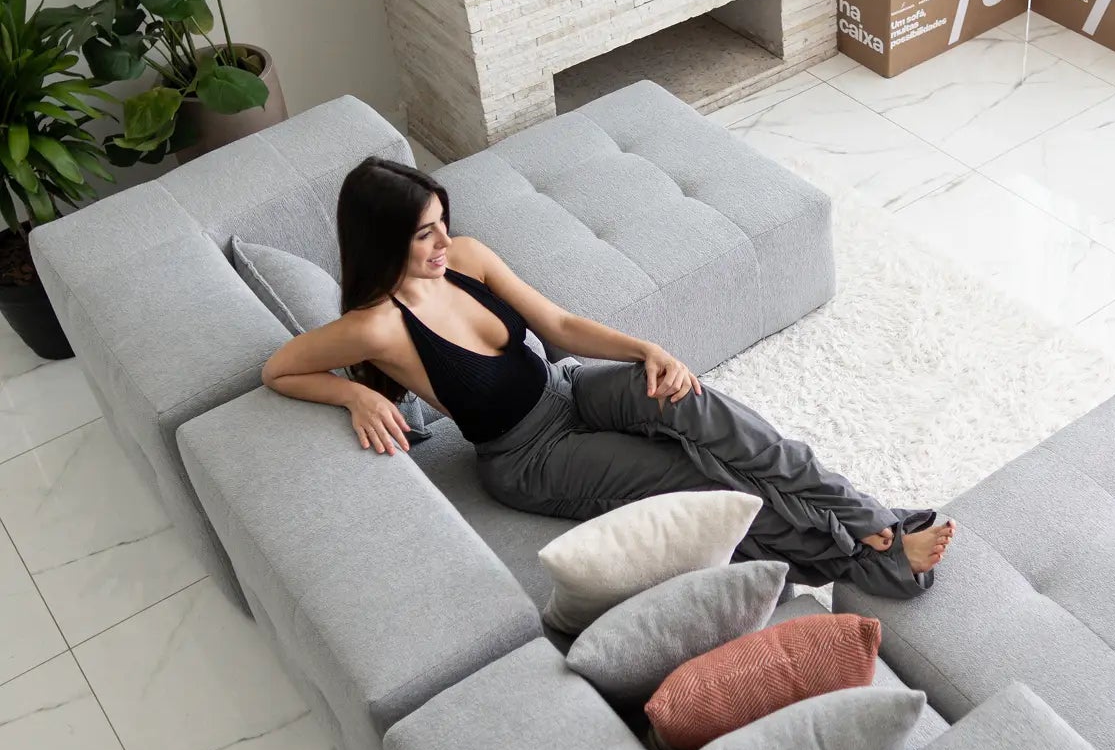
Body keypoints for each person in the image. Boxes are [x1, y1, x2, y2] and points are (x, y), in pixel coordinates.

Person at [260, 156, 957, 598]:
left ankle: (866, 515)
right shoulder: (378, 326)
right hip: (528, 457)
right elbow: (279, 368)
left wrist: (646, 350)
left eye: (442, 223)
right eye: (424, 235)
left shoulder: (465, 257)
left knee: (704, 410)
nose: (444, 242)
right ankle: (873, 560)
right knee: (697, 480)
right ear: (385, 241)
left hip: (567, 389)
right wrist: (353, 392)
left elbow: (559, 325)